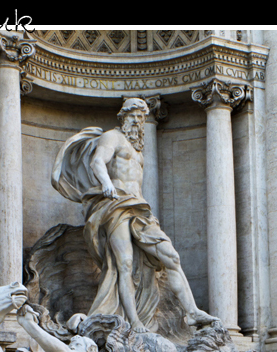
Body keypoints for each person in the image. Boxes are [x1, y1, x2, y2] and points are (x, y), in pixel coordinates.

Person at [51, 98, 218, 333]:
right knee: (124, 264)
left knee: (171, 257)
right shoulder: (113, 137)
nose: (138, 121)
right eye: (133, 115)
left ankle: (191, 312)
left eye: (141, 116)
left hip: (139, 209)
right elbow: (97, 161)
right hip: (115, 204)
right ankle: (133, 321)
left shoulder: (138, 149)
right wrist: (107, 183)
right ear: (123, 116)